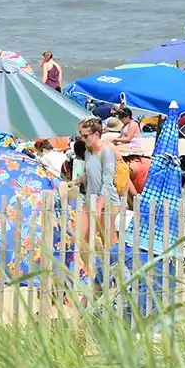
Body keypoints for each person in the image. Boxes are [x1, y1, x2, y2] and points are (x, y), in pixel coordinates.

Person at [73, 117, 121, 280]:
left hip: (107, 202)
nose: (82, 139)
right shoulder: (88, 152)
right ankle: (92, 271)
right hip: (90, 199)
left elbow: (108, 181)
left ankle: (112, 272)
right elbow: (90, 174)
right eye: (81, 135)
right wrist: (75, 181)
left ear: (96, 134)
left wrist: (99, 205)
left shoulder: (106, 151)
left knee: (109, 241)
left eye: (85, 136)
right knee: (80, 236)